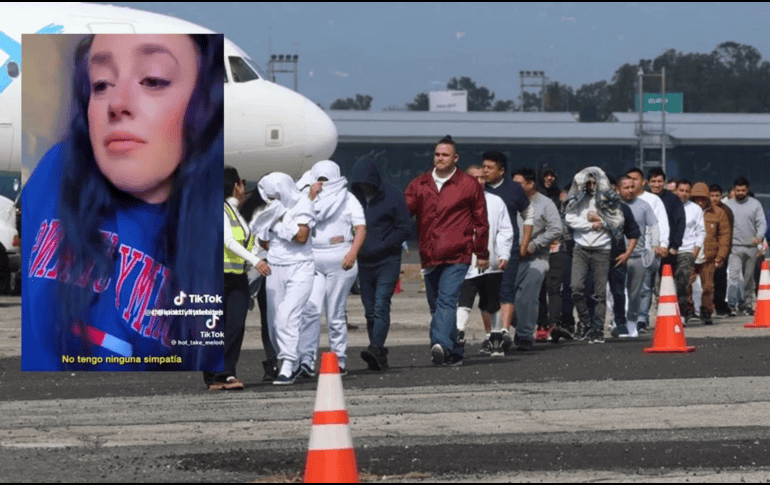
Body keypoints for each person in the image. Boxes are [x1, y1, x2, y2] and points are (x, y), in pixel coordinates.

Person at [22, 34, 224, 371]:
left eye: (153, 80)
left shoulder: (210, 233)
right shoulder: (57, 173)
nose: (117, 102)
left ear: (205, 102)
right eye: (100, 85)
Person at [405, 136, 489, 365]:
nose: (440, 158)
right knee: (437, 306)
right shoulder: (420, 184)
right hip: (429, 254)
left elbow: (481, 221)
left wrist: (481, 253)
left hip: (457, 255)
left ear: (455, 158)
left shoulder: (468, 184)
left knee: (446, 301)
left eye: (445, 155)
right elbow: (404, 214)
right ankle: (455, 353)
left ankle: (439, 343)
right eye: (437, 154)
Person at [298, 160, 366, 376]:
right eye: (319, 179)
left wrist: (353, 253)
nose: (323, 183)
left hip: (341, 258)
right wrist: (309, 197)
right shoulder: (307, 198)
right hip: (313, 257)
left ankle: (339, 360)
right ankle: (306, 360)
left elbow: (360, 228)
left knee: (336, 313)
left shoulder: (348, 198)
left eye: (327, 179)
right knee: (310, 311)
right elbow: (299, 220)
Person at [204, 167, 270, 390]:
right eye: (242, 182)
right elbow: (229, 241)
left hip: (237, 276)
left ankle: (227, 372)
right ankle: (216, 375)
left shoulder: (235, 212)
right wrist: (256, 261)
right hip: (218, 276)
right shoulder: (219, 209)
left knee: (236, 325)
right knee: (217, 327)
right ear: (235, 186)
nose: (244, 187)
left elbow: (244, 241)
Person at [253, 172, 317, 385]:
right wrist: (272, 235)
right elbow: (262, 240)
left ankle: (288, 365)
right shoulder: (271, 208)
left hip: (301, 267)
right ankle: (294, 359)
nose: (271, 201)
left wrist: (279, 223)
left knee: (286, 317)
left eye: (274, 197)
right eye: (269, 197)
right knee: (273, 325)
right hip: (275, 268)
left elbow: (301, 237)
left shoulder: (303, 205)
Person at [350, 157, 412, 371]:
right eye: (360, 183)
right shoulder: (354, 198)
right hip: (364, 262)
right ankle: (379, 355)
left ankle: (375, 347)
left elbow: (405, 227)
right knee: (369, 311)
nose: (364, 186)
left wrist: (384, 245)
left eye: (367, 182)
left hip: (388, 260)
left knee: (381, 305)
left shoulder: (393, 195)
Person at [455, 165, 512, 356]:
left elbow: (505, 231)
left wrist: (504, 255)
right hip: (465, 261)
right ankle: (458, 334)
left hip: (491, 261)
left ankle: (495, 339)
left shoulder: (496, 202)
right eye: (474, 178)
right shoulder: (458, 201)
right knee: (465, 299)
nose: (478, 181)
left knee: (492, 302)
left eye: (482, 178)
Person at [563, 167, 625, 344]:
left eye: (594, 182)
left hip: (602, 249)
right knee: (576, 288)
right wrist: (590, 224)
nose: (591, 186)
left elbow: (618, 221)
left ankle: (597, 329)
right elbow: (569, 218)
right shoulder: (576, 199)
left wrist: (601, 221)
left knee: (599, 293)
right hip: (580, 248)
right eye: (587, 182)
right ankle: (586, 322)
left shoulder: (609, 200)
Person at [481, 150, 532, 352]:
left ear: (501, 171)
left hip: (508, 248)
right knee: (486, 295)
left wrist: (525, 243)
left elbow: (529, 214)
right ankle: (489, 335)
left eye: (490, 167)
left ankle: (504, 332)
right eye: (483, 166)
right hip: (482, 250)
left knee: (506, 290)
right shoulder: (476, 187)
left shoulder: (514, 190)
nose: (485, 171)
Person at [511, 167, 563, 350]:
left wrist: (533, 245)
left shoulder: (545, 203)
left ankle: (525, 336)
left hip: (537, 257)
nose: (515, 188)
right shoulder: (510, 202)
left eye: (519, 184)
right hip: (512, 258)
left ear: (531, 184)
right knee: (508, 299)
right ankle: (519, 326)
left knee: (527, 297)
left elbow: (556, 229)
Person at [625, 168, 671, 333]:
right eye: (629, 179)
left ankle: (641, 319)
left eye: (636, 179)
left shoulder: (652, 200)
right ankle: (625, 317)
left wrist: (662, 244)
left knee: (645, 287)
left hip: (647, 250)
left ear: (643, 181)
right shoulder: (621, 200)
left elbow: (660, 223)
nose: (632, 183)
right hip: (625, 251)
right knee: (625, 287)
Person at [725, 176, 767, 316]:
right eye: (738, 190)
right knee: (733, 277)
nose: (740, 192)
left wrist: (759, 237)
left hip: (751, 247)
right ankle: (732, 304)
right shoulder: (728, 205)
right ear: (734, 190)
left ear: (747, 190)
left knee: (749, 279)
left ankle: (747, 304)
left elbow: (761, 222)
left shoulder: (755, 204)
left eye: (743, 190)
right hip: (734, 247)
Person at [689, 182, 730, 325]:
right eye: (696, 199)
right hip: (689, 254)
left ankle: (706, 311)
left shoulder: (718, 213)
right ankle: (689, 311)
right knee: (687, 284)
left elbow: (724, 236)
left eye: (702, 199)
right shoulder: (686, 211)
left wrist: (721, 255)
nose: (700, 202)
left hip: (709, 256)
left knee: (707, 287)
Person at [609, 176, 644, 338]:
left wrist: (627, 253)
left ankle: (621, 324)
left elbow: (634, 233)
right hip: (595, 257)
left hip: (617, 257)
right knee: (595, 293)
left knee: (618, 292)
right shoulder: (591, 208)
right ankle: (593, 325)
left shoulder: (623, 209)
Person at [536, 164, 567, 341]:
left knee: (554, 288)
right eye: (546, 175)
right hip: (539, 248)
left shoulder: (561, 195)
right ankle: (541, 324)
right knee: (539, 288)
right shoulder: (535, 197)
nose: (549, 178)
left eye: (552, 175)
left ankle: (554, 324)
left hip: (556, 248)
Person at [674, 180, 705, 323]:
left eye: (687, 191)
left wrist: (696, 249)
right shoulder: (668, 207)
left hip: (687, 250)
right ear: (676, 191)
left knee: (683, 283)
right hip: (669, 251)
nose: (684, 194)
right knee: (664, 284)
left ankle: (682, 314)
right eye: (681, 190)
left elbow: (701, 231)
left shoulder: (695, 209)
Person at [648, 168, 686, 277]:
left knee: (666, 281)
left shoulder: (673, 199)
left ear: (664, 183)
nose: (656, 184)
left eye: (659, 181)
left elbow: (680, 222)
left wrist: (674, 246)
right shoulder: (644, 197)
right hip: (647, 247)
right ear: (648, 182)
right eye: (653, 181)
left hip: (668, 249)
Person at [710, 184, 734, 316]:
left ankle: (719, 305)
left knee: (720, 279)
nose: (714, 198)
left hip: (721, 251)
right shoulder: (705, 210)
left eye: (717, 196)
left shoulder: (726, 211)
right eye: (712, 195)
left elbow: (728, 233)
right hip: (707, 250)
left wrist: (724, 253)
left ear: (721, 196)